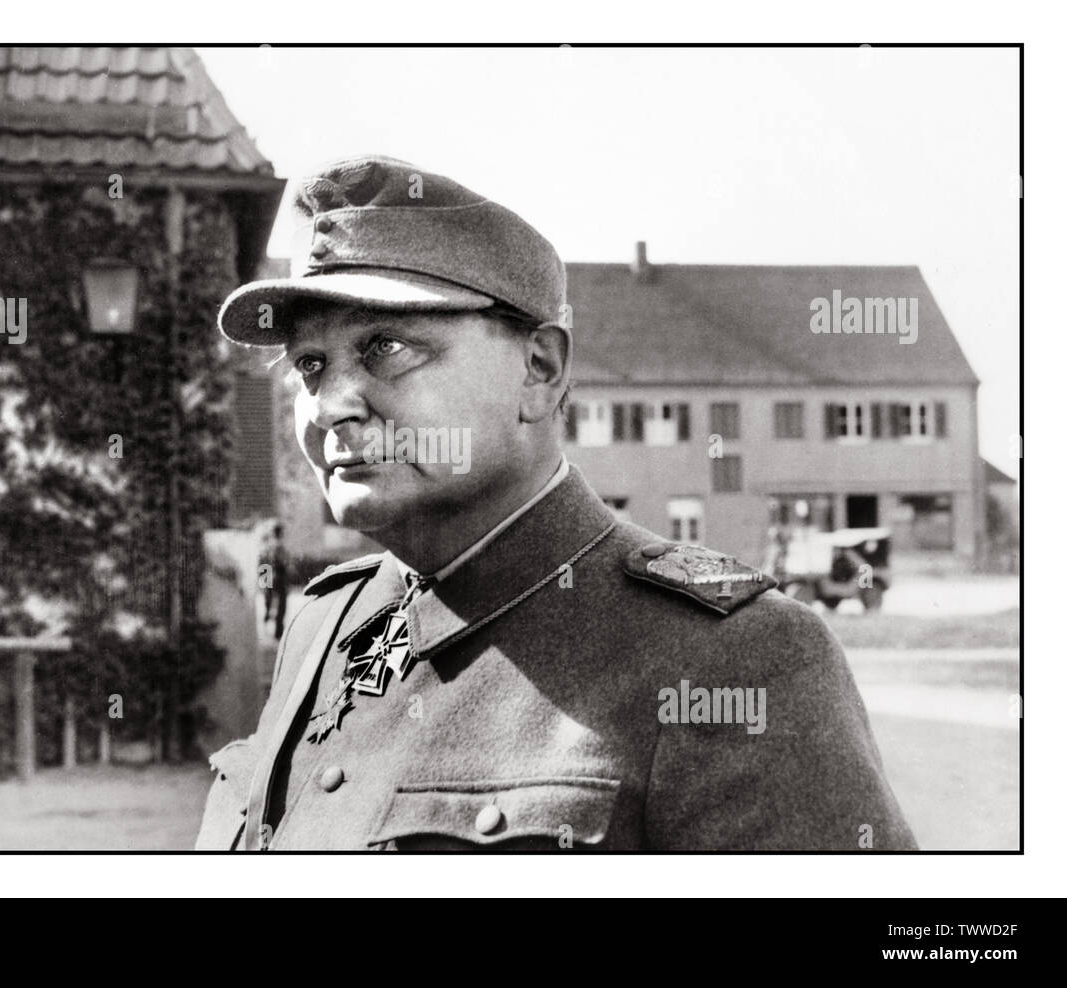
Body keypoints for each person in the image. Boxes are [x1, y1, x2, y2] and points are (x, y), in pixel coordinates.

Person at [195, 154, 915, 851]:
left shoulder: (732, 657)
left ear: (540, 369)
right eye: (311, 366)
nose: (330, 407)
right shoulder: (325, 623)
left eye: (386, 347)